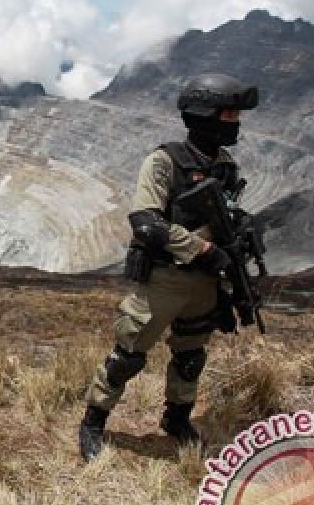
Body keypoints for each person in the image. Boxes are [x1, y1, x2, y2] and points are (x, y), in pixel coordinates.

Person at [78, 73, 260, 461]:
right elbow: (146, 221)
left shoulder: (225, 166)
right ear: (204, 115)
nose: (235, 123)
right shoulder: (164, 162)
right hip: (165, 279)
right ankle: (94, 420)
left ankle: (177, 418)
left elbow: (225, 216)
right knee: (128, 354)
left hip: (204, 284)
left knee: (191, 355)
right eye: (228, 114)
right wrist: (201, 248)